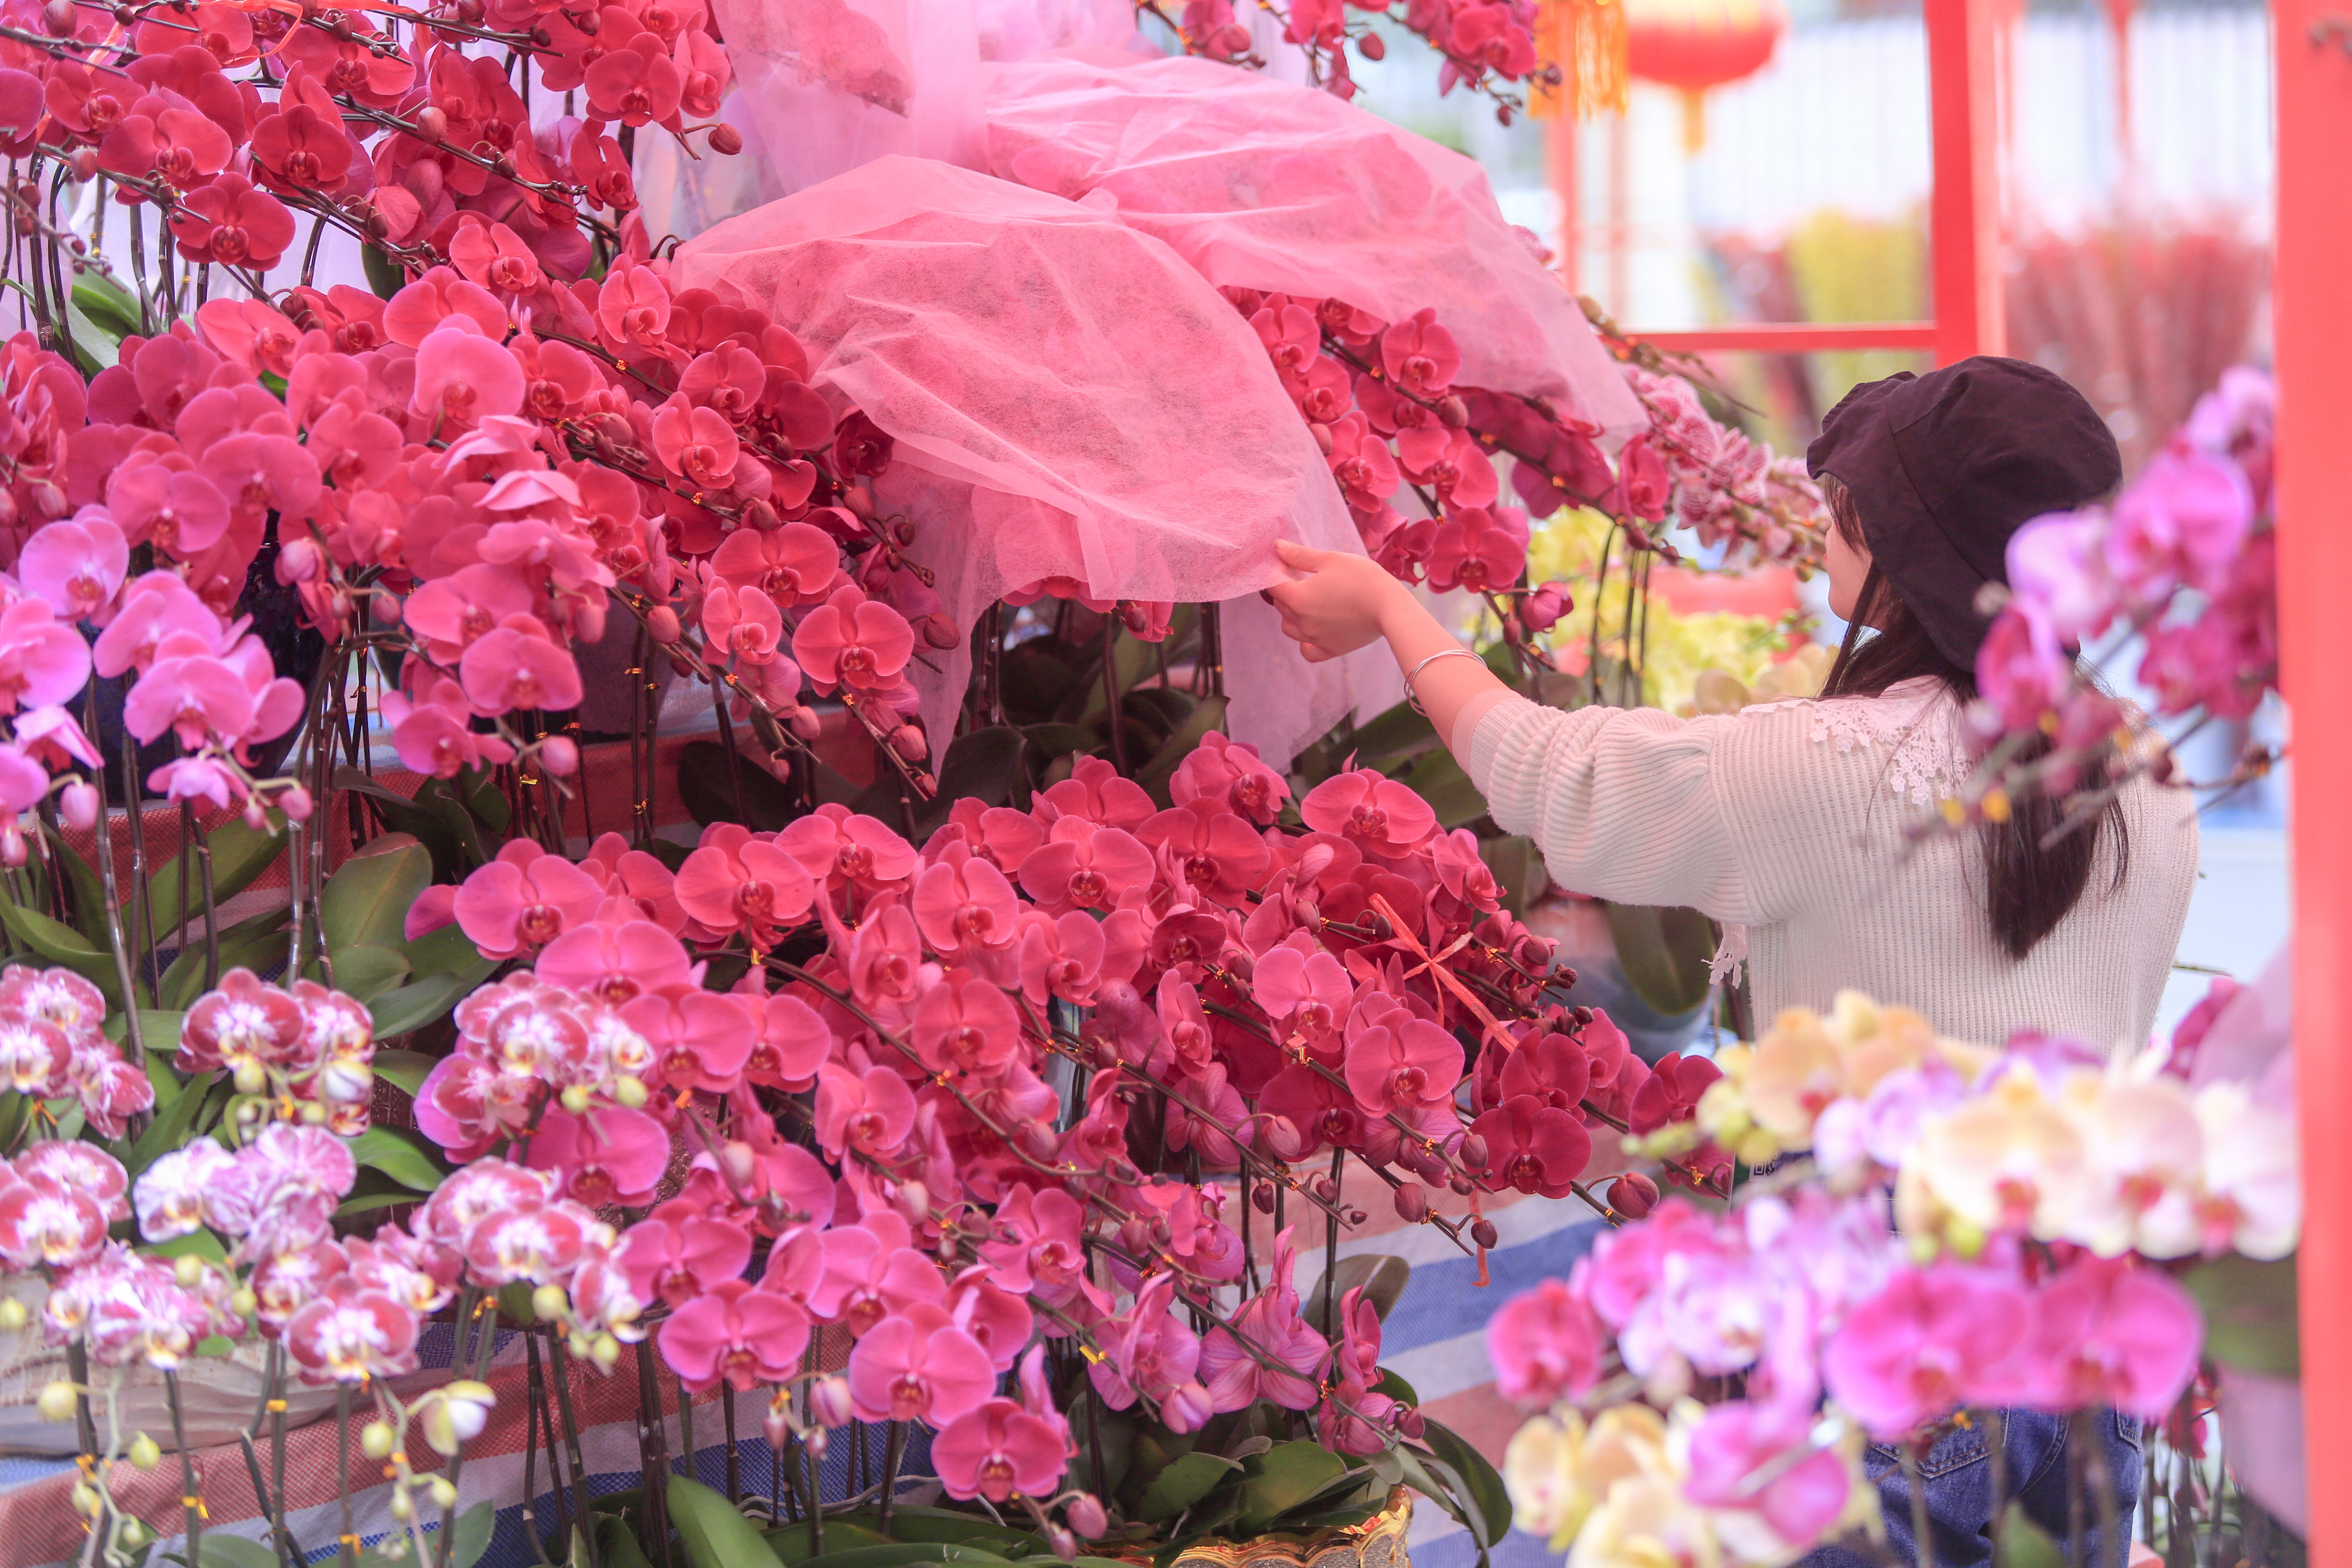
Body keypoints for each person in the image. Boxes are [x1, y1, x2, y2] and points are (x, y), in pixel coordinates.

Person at [1265, 357, 2196, 1568]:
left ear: (1910, 554)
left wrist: (1396, 612)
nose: (1832, 527)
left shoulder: (1827, 768)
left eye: (1858, 510)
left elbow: (1549, 773)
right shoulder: (2147, 778)